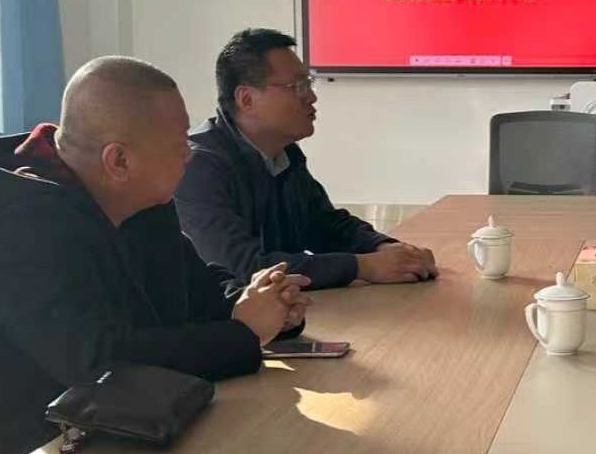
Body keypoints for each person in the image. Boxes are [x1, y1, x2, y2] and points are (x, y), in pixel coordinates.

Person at [0, 56, 310, 454]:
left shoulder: (136, 201)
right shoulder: (16, 232)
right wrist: (243, 333)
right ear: (119, 161)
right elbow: (100, 364)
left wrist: (262, 304)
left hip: (112, 438)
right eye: (179, 143)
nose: (190, 153)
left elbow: (196, 292)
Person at [176, 28, 436, 290]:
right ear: (246, 99)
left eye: (308, 84)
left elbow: (325, 226)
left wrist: (388, 249)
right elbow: (245, 268)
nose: (311, 97)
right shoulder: (197, 166)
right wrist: (363, 266)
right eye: (297, 87)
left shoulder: (285, 153)